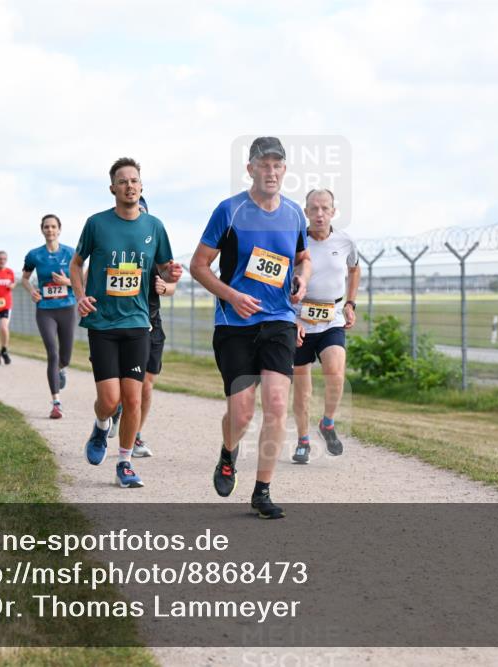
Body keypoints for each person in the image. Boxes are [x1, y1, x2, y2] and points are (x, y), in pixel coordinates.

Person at [189, 137, 311, 519]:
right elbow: (199, 265)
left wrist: (303, 279)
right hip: (235, 324)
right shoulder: (229, 211)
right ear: (250, 169)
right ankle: (228, 453)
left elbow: (303, 257)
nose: (271, 171)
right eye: (264, 164)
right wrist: (232, 296)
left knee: (276, 404)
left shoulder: (294, 214)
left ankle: (262, 491)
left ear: (285, 170)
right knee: (241, 414)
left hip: (278, 321)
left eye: (277, 165)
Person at [71, 157, 181, 488]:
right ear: (112, 188)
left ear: (141, 186)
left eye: (134, 180)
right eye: (123, 181)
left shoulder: (155, 227)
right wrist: (80, 295)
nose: (129, 185)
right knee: (110, 400)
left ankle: (125, 462)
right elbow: (76, 264)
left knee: (133, 399)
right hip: (102, 323)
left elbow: (164, 268)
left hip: (137, 322)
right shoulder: (96, 224)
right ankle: (101, 426)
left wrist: (169, 275)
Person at [291, 189, 360, 463]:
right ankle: (302, 441)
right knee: (303, 389)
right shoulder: (296, 242)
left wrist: (351, 303)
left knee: (336, 372)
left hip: (331, 317)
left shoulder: (345, 241)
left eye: (325, 208)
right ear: (306, 212)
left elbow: (355, 269)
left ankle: (328, 423)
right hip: (300, 319)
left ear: (333, 211)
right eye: (314, 209)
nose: (320, 214)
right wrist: (290, 317)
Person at [130, 197, 178, 458]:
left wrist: (164, 287)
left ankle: (136, 435)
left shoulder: (156, 246)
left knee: (146, 386)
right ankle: (111, 414)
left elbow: (171, 285)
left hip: (151, 323)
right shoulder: (117, 246)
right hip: (121, 324)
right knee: (120, 390)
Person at [22, 216, 76, 418]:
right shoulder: (34, 255)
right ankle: (56, 402)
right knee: (52, 353)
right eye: (46, 227)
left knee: (65, 357)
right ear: (42, 230)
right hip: (45, 309)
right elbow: (25, 279)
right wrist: (32, 291)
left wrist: (67, 281)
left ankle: (61, 369)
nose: (50, 230)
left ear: (59, 229)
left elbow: (84, 278)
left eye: (53, 226)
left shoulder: (71, 253)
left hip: (67, 308)